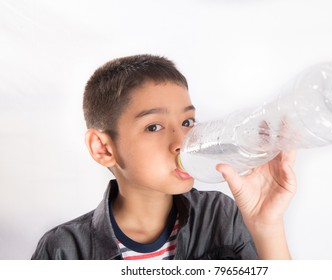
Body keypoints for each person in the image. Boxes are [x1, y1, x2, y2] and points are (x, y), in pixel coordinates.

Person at [31, 54, 296, 260]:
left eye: (188, 121)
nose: (182, 142)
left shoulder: (220, 216)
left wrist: (266, 225)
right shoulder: (64, 251)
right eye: (154, 127)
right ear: (103, 148)